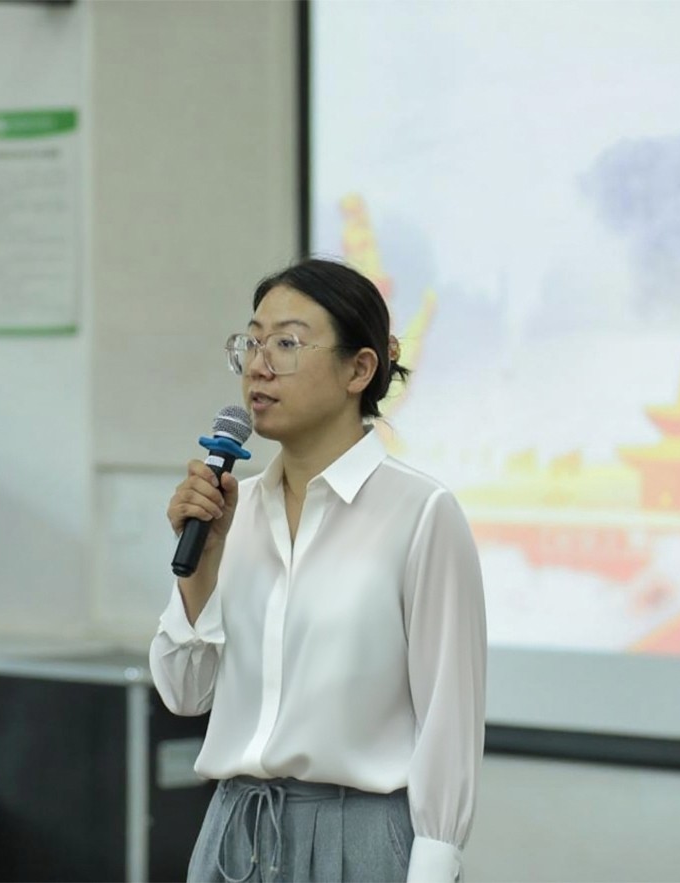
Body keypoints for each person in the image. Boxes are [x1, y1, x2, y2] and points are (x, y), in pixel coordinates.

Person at [149, 258, 487, 883]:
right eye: (252, 342)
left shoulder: (420, 512)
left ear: (359, 369)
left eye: (286, 344)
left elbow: (450, 719)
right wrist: (201, 566)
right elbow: (184, 694)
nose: (258, 365)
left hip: (357, 836)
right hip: (233, 831)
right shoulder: (233, 509)